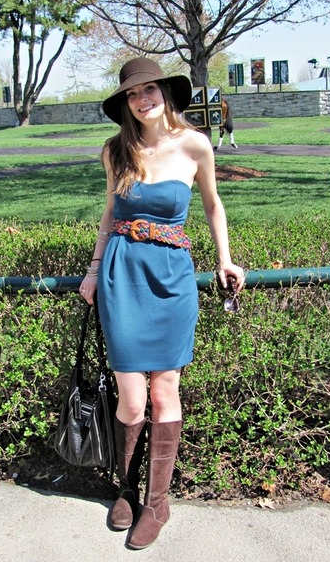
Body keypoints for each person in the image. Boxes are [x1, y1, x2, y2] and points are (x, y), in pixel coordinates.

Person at [79, 57, 245, 549]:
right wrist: (93, 268)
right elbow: (110, 212)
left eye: (149, 89)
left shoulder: (194, 144)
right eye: (133, 93)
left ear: (166, 94)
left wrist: (226, 260)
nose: (142, 99)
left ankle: (157, 502)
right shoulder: (116, 150)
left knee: (163, 391)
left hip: (171, 279)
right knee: (130, 397)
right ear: (125, 103)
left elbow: (214, 205)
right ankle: (125, 489)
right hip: (121, 276)